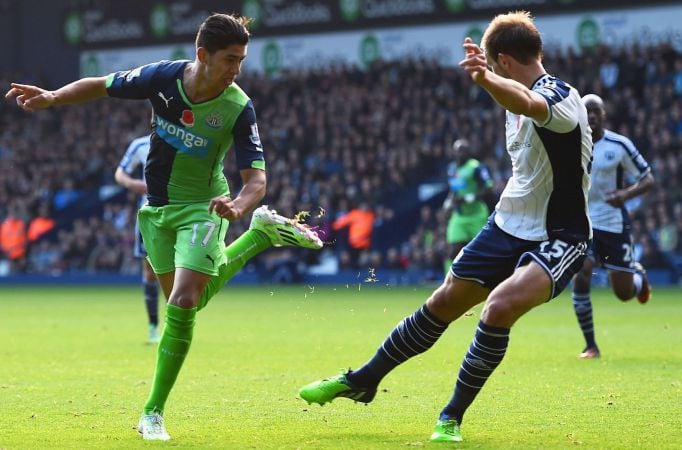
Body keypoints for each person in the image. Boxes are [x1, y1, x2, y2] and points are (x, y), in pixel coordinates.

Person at [6, 13, 323, 441]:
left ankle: (152, 412)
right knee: (190, 298)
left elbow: (257, 180)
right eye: (230, 59)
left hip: (204, 207)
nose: (237, 69)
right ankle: (261, 236)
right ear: (202, 55)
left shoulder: (237, 106)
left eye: (242, 60)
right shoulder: (162, 78)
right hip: (155, 211)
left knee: (184, 300)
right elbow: (101, 84)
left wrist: (238, 206)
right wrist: (52, 97)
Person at [299, 11, 592, 443]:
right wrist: (492, 80)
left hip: (559, 234)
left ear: (504, 62)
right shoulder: (510, 91)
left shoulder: (563, 97)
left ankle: (450, 416)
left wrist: (485, 81)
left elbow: (530, 102)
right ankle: (363, 379)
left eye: (494, 66)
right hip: (506, 224)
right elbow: (517, 100)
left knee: (499, 307)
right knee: (443, 303)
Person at [570, 94, 654, 359]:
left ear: (604, 115)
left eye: (596, 112)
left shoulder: (619, 145)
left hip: (614, 225)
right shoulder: (570, 144)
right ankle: (590, 345)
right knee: (581, 274)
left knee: (623, 293)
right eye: (587, 112)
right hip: (583, 225)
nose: (592, 116)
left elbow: (647, 178)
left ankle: (638, 279)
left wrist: (625, 195)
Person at [114, 134, 162, 343]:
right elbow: (120, 173)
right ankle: (153, 326)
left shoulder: (184, 139)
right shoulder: (141, 145)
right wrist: (133, 184)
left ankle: (179, 323)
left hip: (181, 210)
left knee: (182, 268)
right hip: (149, 213)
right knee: (150, 271)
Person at [442, 138, 493, 272]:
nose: (460, 154)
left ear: (468, 152)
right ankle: (448, 281)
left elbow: (488, 187)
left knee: (482, 251)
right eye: (457, 151)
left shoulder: (475, 167)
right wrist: (448, 202)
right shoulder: (452, 169)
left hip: (477, 215)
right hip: (460, 215)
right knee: (453, 250)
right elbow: (454, 190)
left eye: (463, 151)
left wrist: (469, 198)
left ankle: (486, 277)